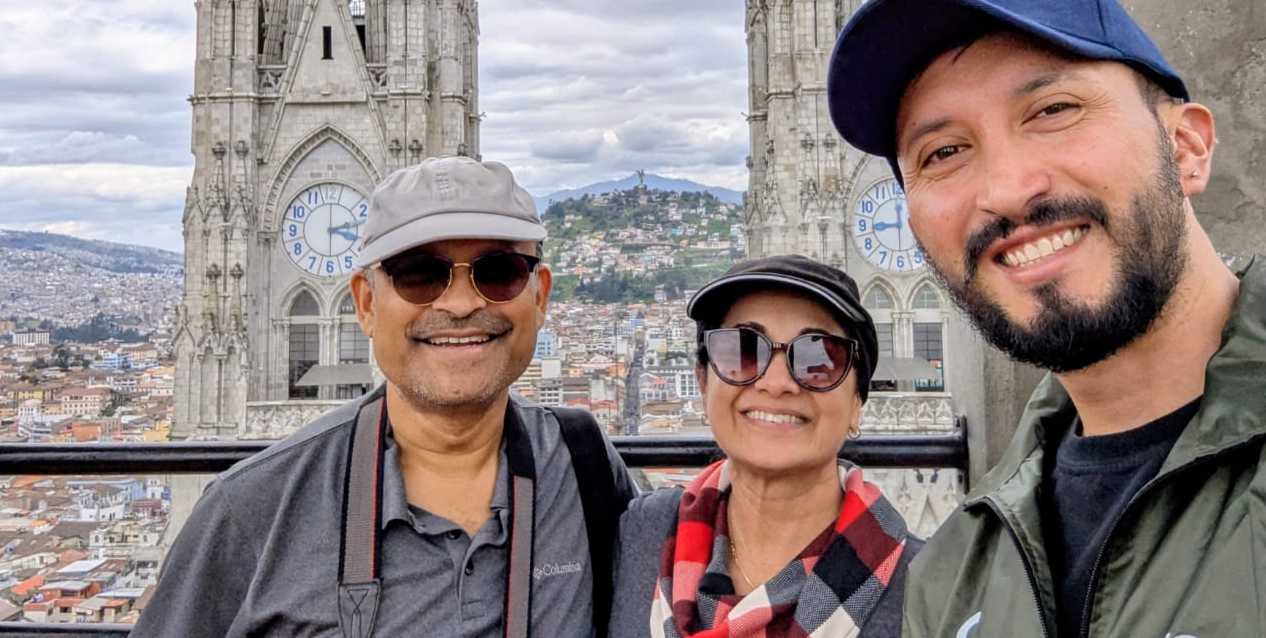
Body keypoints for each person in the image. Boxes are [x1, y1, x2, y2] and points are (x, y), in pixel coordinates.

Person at [826, 0, 1265, 637]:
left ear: (1187, 148)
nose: (1006, 190)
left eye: (1053, 111)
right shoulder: (951, 578)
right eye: (944, 151)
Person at [135, 156, 635, 638]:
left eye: (499, 272)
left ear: (540, 296)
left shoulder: (583, 467)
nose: (461, 303)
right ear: (367, 303)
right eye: (418, 274)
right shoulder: (249, 512)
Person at [609, 255, 919, 638]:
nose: (776, 383)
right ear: (704, 383)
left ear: (857, 401)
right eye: (742, 350)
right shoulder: (642, 534)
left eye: (818, 358)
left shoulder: (925, 589)